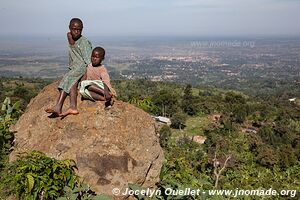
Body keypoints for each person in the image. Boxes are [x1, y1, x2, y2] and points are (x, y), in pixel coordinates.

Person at [45, 18, 92, 117]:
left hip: (81, 67)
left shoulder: (84, 42)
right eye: (74, 29)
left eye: (79, 29)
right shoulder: (71, 37)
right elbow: (70, 38)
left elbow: (88, 62)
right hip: (74, 67)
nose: (76, 31)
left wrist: (86, 77)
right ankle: (73, 107)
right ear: (69, 28)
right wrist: (70, 36)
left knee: (67, 78)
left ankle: (58, 106)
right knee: (72, 83)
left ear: (82, 29)